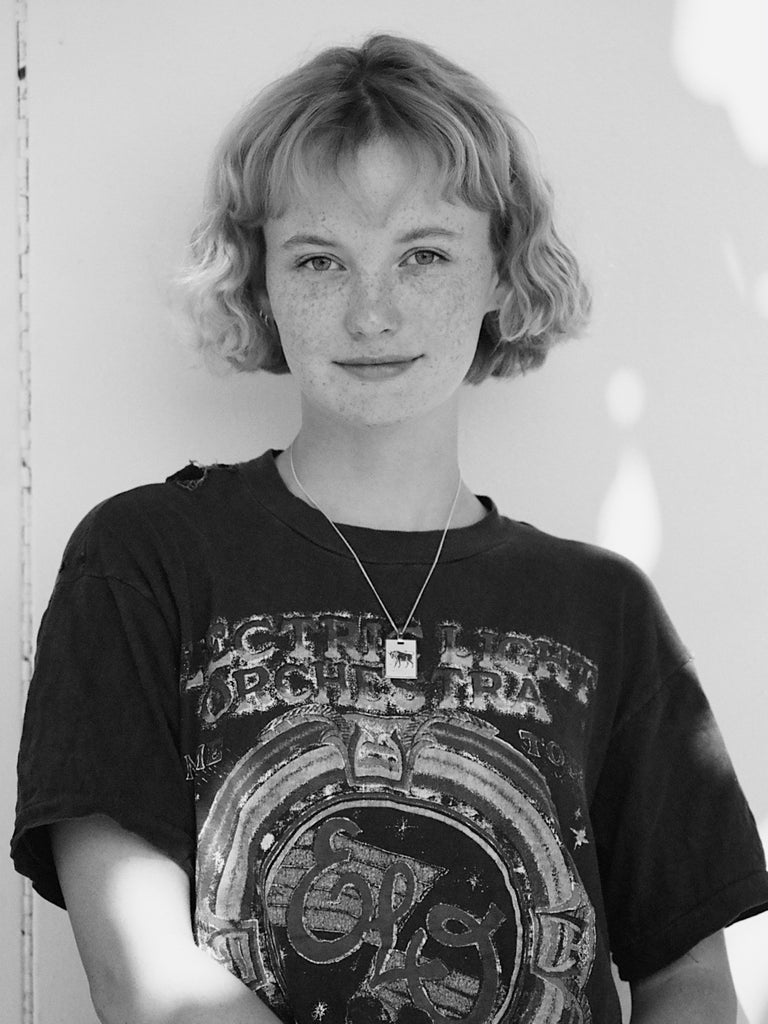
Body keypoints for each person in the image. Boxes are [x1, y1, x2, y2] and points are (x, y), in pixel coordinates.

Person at [11, 32, 768, 1024]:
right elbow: (150, 987)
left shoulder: (605, 607)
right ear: (261, 279)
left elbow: (693, 980)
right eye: (320, 259)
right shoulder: (143, 561)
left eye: (423, 254)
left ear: (502, 273)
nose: (373, 313)